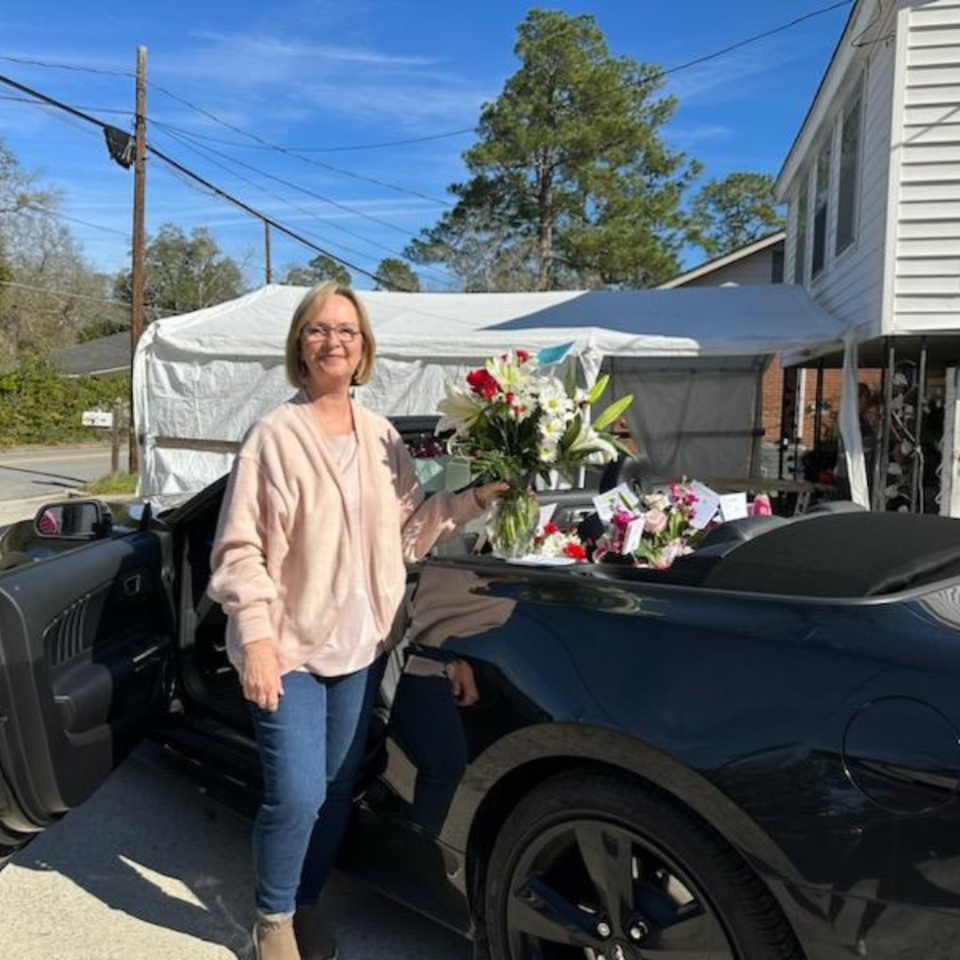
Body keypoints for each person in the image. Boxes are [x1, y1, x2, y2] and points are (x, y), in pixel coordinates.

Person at [207, 282, 505, 960]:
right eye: (317, 329)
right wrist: (254, 639)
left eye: (346, 330)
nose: (332, 340)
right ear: (300, 346)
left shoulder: (380, 437)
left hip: (363, 647)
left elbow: (406, 531)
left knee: (338, 788)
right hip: (288, 647)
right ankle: (271, 921)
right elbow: (239, 548)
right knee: (298, 794)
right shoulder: (273, 437)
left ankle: (304, 901)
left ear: (363, 348)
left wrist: (475, 498)